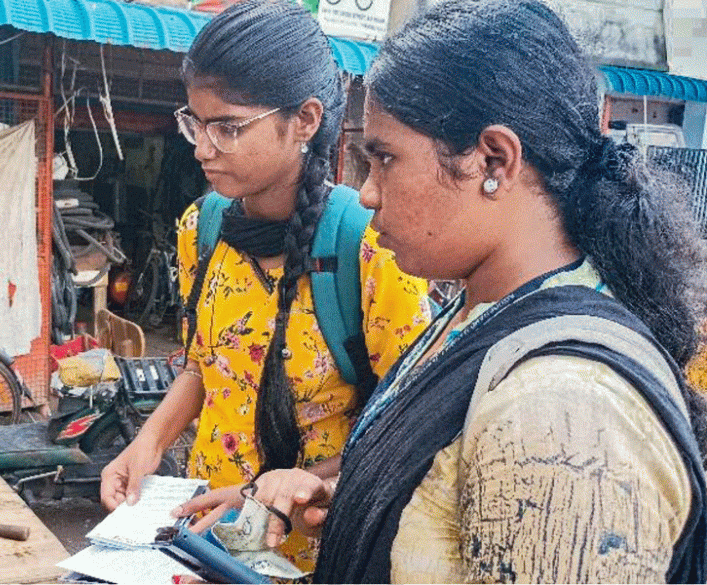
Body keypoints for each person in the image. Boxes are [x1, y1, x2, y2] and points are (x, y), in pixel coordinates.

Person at [175, 0, 707, 582]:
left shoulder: (565, 416)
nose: (369, 193)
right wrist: (338, 492)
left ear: (493, 160)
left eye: (385, 159)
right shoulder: (476, 314)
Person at [100, 0, 430, 573]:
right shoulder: (201, 229)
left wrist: (300, 484)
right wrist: (148, 442)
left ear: (303, 120)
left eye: (227, 127)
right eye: (194, 123)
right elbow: (204, 365)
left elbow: (411, 430)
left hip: (315, 552)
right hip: (203, 537)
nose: (202, 148)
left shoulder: (373, 246)